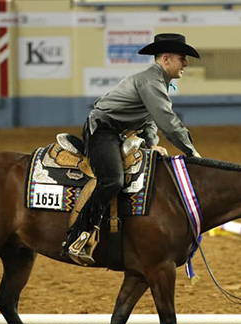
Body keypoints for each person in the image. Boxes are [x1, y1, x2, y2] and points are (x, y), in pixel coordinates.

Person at [62, 33, 202, 265]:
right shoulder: (151, 80)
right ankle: (78, 235)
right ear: (166, 59)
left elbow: (148, 119)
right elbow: (166, 119)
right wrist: (190, 151)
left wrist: (150, 144)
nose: (186, 63)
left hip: (116, 132)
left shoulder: (156, 81)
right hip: (102, 130)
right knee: (113, 179)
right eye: (182, 57)